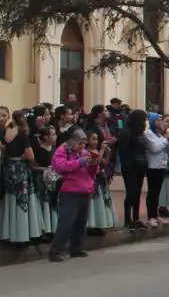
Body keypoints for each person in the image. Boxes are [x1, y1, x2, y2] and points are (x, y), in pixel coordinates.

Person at [48, 129, 99, 262]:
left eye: (84, 143)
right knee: (67, 222)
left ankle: (76, 248)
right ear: (72, 141)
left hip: (85, 189)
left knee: (81, 222)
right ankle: (56, 250)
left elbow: (93, 171)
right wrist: (81, 162)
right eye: (80, 143)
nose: (83, 146)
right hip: (69, 190)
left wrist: (94, 164)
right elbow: (60, 167)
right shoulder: (62, 151)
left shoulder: (84, 153)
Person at [1, 111, 44, 243]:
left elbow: (3, 150)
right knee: (23, 199)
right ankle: (23, 234)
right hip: (20, 169)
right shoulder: (23, 134)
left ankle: (8, 233)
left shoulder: (6, 133)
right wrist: (21, 157)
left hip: (8, 169)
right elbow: (30, 156)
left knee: (10, 200)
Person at [143, 114, 169, 228]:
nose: (161, 122)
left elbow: (165, 147)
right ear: (153, 121)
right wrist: (166, 138)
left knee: (158, 192)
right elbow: (155, 148)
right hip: (153, 166)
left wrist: (166, 139)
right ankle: (151, 216)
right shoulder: (148, 134)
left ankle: (155, 215)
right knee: (152, 192)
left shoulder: (160, 134)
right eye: (159, 120)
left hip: (161, 165)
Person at [85, 131, 116, 231]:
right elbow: (97, 162)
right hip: (93, 179)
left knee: (103, 199)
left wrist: (108, 153)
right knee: (94, 200)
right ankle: (92, 223)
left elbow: (104, 162)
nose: (95, 141)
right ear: (87, 140)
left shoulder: (97, 150)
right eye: (93, 139)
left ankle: (102, 222)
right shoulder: (86, 151)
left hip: (101, 177)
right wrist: (102, 150)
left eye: (97, 139)